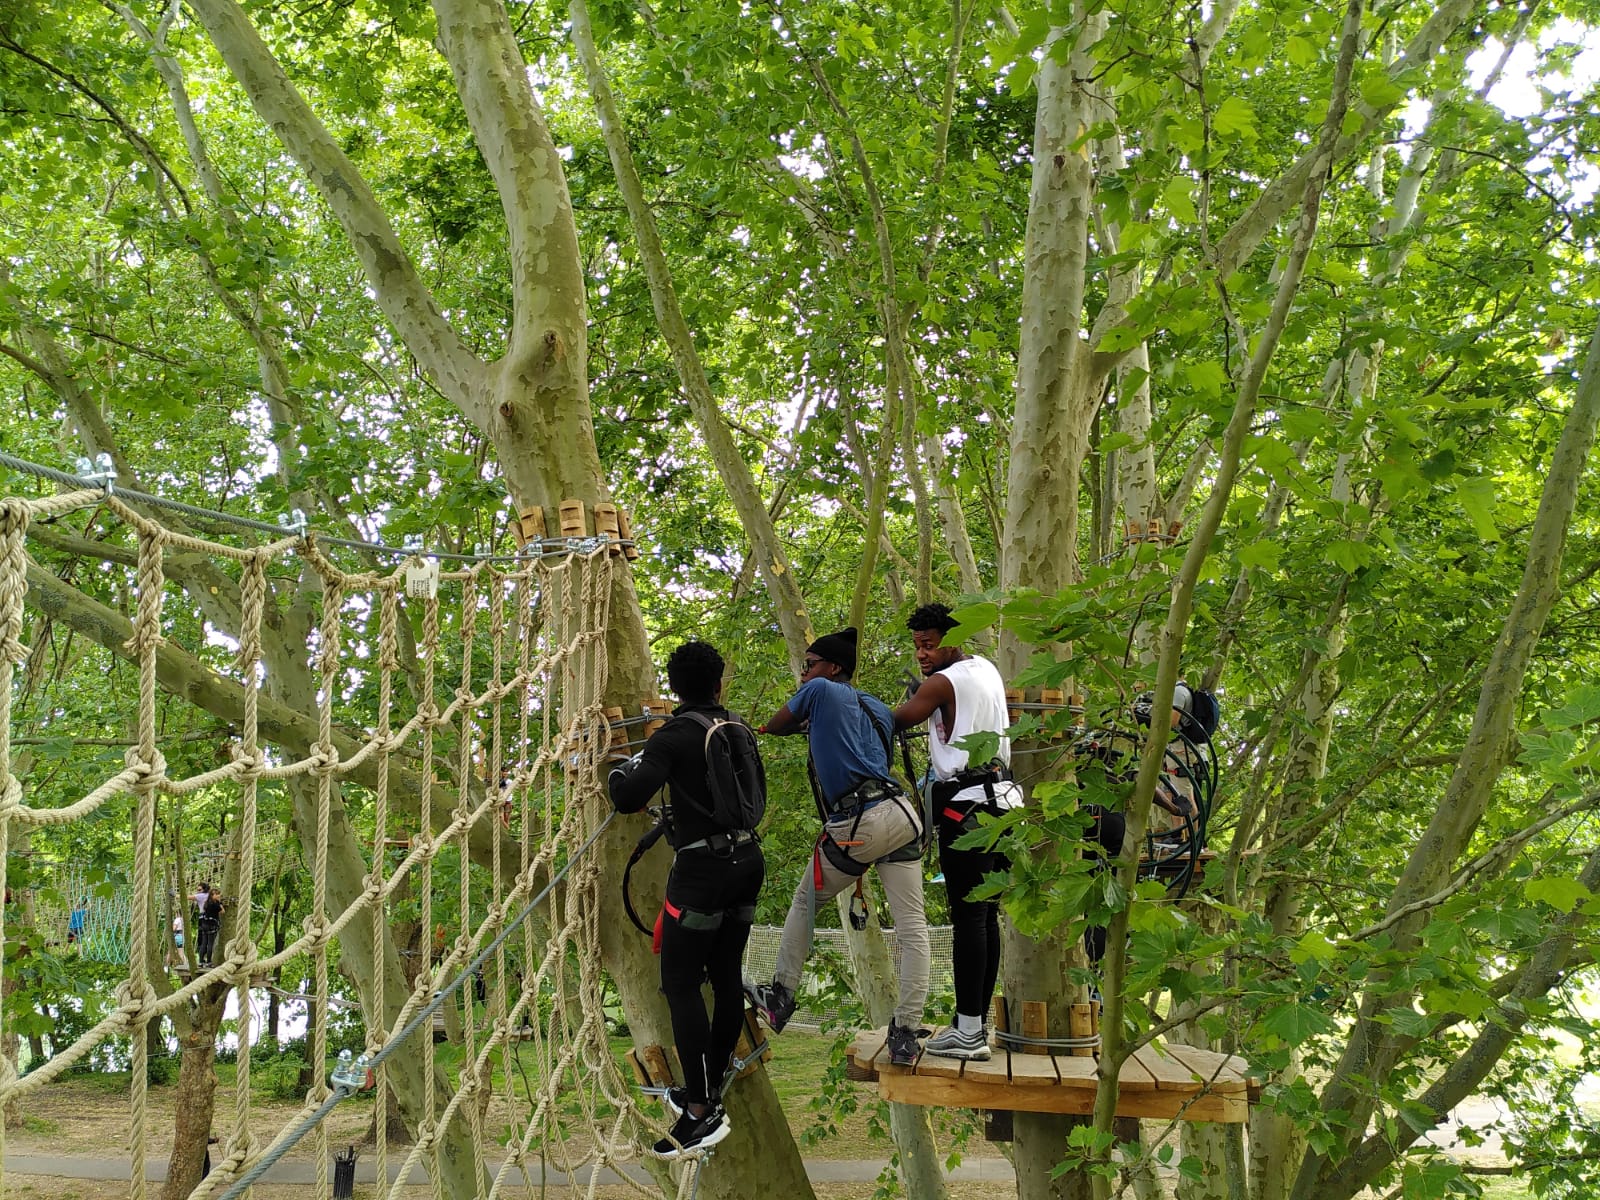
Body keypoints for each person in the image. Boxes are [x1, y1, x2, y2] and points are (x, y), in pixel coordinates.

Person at [608, 641, 765, 1160]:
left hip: (703, 874)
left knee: (680, 984)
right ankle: (709, 1090)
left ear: (673, 688)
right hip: (748, 862)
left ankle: (700, 1109)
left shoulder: (674, 735)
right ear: (720, 683)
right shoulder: (735, 726)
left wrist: (619, 773)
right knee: (723, 978)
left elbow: (630, 797)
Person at [745, 627, 929, 1067]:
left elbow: (774, 725)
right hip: (903, 815)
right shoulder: (879, 708)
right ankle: (905, 1033)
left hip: (859, 822)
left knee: (807, 899)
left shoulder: (821, 691)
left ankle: (781, 994)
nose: (803, 673)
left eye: (809, 665)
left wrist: (780, 723)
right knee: (912, 926)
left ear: (832, 668)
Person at [892, 603, 1022, 1061]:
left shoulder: (943, 682)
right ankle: (973, 1025)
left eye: (929, 644)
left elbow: (896, 720)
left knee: (969, 919)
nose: (922, 654)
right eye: (917, 647)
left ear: (954, 638)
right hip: (1004, 801)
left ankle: (968, 1034)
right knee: (984, 918)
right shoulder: (984, 669)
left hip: (967, 806)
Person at [197, 889, 223, 965]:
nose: (218, 896)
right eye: (217, 894)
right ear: (212, 895)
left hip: (204, 925)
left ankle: (201, 961)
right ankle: (208, 961)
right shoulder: (215, 904)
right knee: (210, 943)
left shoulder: (206, 903)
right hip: (212, 925)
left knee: (204, 943)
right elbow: (222, 911)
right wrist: (220, 902)